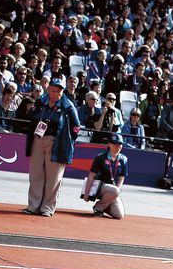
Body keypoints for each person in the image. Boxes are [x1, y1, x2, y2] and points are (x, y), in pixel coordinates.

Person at [24, 80, 80, 217]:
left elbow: (76, 127)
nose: (56, 94)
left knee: (53, 178)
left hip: (56, 142)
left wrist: (67, 140)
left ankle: (47, 207)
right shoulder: (41, 102)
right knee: (36, 174)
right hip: (38, 139)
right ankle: (33, 205)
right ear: (48, 90)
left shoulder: (68, 106)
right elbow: (32, 116)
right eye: (54, 90)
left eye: (59, 91)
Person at [81, 133, 127, 219]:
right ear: (109, 144)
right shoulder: (100, 157)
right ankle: (98, 207)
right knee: (115, 191)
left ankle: (104, 206)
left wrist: (117, 191)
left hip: (113, 190)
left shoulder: (123, 159)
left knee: (119, 215)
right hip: (99, 187)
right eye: (115, 143)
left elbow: (122, 177)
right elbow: (91, 175)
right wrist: (86, 193)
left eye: (120, 144)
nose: (118, 146)